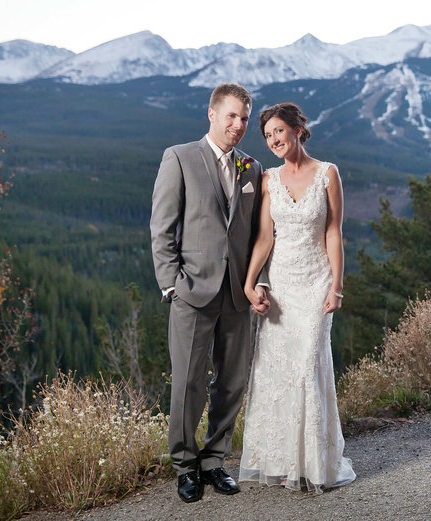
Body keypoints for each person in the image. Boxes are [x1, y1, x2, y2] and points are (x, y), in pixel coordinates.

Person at [150, 83, 270, 503]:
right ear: (212, 114)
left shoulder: (252, 169)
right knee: (188, 384)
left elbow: (260, 235)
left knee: (232, 382)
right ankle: (184, 466)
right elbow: (162, 228)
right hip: (192, 293)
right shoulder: (179, 157)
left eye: (243, 118)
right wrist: (171, 286)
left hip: (238, 295)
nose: (238, 125)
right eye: (231, 116)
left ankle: (214, 461)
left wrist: (258, 282)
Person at [239, 102, 356, 493]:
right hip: (282, 285)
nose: (274, 140)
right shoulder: (269, 179)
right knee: (279, 371)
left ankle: (314, 462)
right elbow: (264, 238)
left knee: (308, 364)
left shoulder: (328, 174)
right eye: (268, 135)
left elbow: (334, 232)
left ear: (297, 131)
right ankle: (285, 460)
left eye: (279, 132)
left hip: (316, 284)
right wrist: (250, 282)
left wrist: (337, 286)